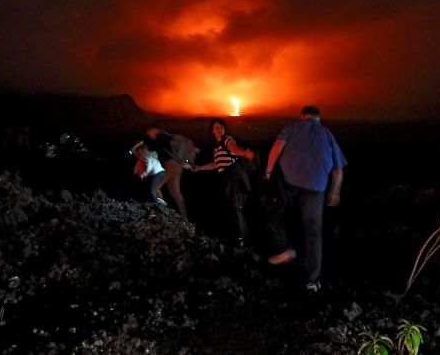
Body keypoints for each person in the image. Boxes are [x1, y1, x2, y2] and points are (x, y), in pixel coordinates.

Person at [263, 105, 347, 293]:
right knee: (313, 232)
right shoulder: (327, 134)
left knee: (273, 210)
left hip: (289, 181)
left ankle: (284, 249)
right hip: (316, 187)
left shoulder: (293, 126)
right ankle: (312, 281)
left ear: (303, 116)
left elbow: (277, 146)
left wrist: (268, 171)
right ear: (318, 118)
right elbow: (338, 170)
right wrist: (335, 192)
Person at [191, 118, 255, 247]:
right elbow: (217, 164)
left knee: (235, 207)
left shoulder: (227, 140)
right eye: (217, 127)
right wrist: (199, 168)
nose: (219, 129)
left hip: (234, 176)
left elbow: (235, 150)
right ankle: (242, 238)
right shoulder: (217, 147)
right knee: (234, 207)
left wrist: (244, 153)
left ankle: (240, 240)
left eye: (221, 127)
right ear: (212, 131)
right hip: (228, 176)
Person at [145, 127, 196, 222]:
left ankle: (162, 212)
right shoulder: (169, 136)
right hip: (178, 166)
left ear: (154, 130)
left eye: (149, 132)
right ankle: (185, 218)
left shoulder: (161, 137)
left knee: (155, 188)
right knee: (175, 193)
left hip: (170, 165)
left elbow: (160, 152)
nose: (149, 134)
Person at [130, 140, 168, 207]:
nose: (137, 154)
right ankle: (162, 202)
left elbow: (149, 165)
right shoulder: (147, 155)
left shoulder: (145, 155)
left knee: (153, 189)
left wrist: (145, 173)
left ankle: (158, 204)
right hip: (161, 173)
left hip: (158, 173)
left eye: (139, 152)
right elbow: (132, 152)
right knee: (157, 188)